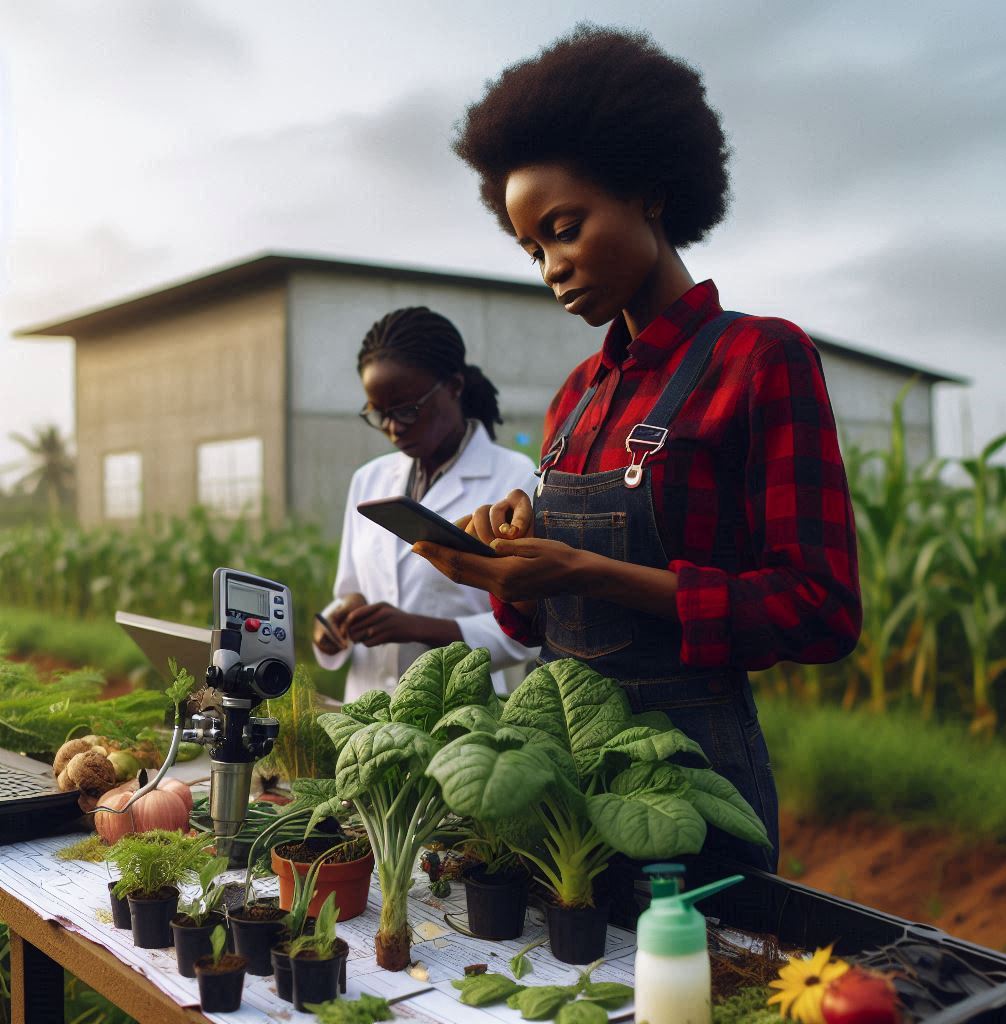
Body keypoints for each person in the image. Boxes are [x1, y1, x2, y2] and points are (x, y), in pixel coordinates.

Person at [414, 26, 862, 872]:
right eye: (533, 249)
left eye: (565, 227)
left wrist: (590, 571)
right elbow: (539, 622)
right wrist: (502, 559)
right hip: (561, 786)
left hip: (691, 792)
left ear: (651, 193)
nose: (551, 267)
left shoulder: (762, 358)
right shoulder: (574, 396)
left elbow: (821, 609)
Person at [312, 306, 539, 698]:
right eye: (378, 413)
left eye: (407, 410)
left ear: (454, 386)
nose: (393, 428)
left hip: (462, 716)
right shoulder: (368, 479)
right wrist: (335, 622)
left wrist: (420, 628)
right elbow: (351, 590)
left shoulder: (514, 479)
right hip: (366, 708)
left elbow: (531, 630)